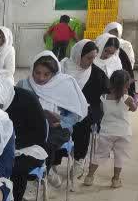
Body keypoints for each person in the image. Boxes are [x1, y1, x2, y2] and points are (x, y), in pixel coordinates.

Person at [17, 50, 87, 185]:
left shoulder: (64, 85)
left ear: (54, 74)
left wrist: (61, 120)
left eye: (46, 74)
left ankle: (42, 174)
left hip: (57, 128)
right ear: (32, 70)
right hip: (29, 127)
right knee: (21, 144)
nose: (41, 78)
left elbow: (75, 115)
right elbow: (15, 107)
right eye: (37, 73)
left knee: (45, 144)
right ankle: (33, 173)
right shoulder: (24, 84)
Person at [85, 69, 138, 189]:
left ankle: (89, 177)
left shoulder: (103, 97)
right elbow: (134, 108)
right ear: (126, 85)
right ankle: (115, 180)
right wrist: (137, 101)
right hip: (123, 133)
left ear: (111, 83)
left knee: (99, 154)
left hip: (106, 132)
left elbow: (103, 111)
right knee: (119, 156)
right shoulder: (128, 99)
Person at [63, 39, 108, 170]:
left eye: (94, 58)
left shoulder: (97, 73)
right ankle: (54, 161)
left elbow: (108, 90)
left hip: (90, 107)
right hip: (64, 105)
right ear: (78, 55)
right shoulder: (63, 67)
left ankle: (79, 159)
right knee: (56, 122)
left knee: (82, 121)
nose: (91, 61)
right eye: (89, 58)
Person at [7, 84, 48, 201]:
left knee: (14, 169)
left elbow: (39, 134)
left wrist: (12, 145)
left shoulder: (26, 98)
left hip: (28, 147)